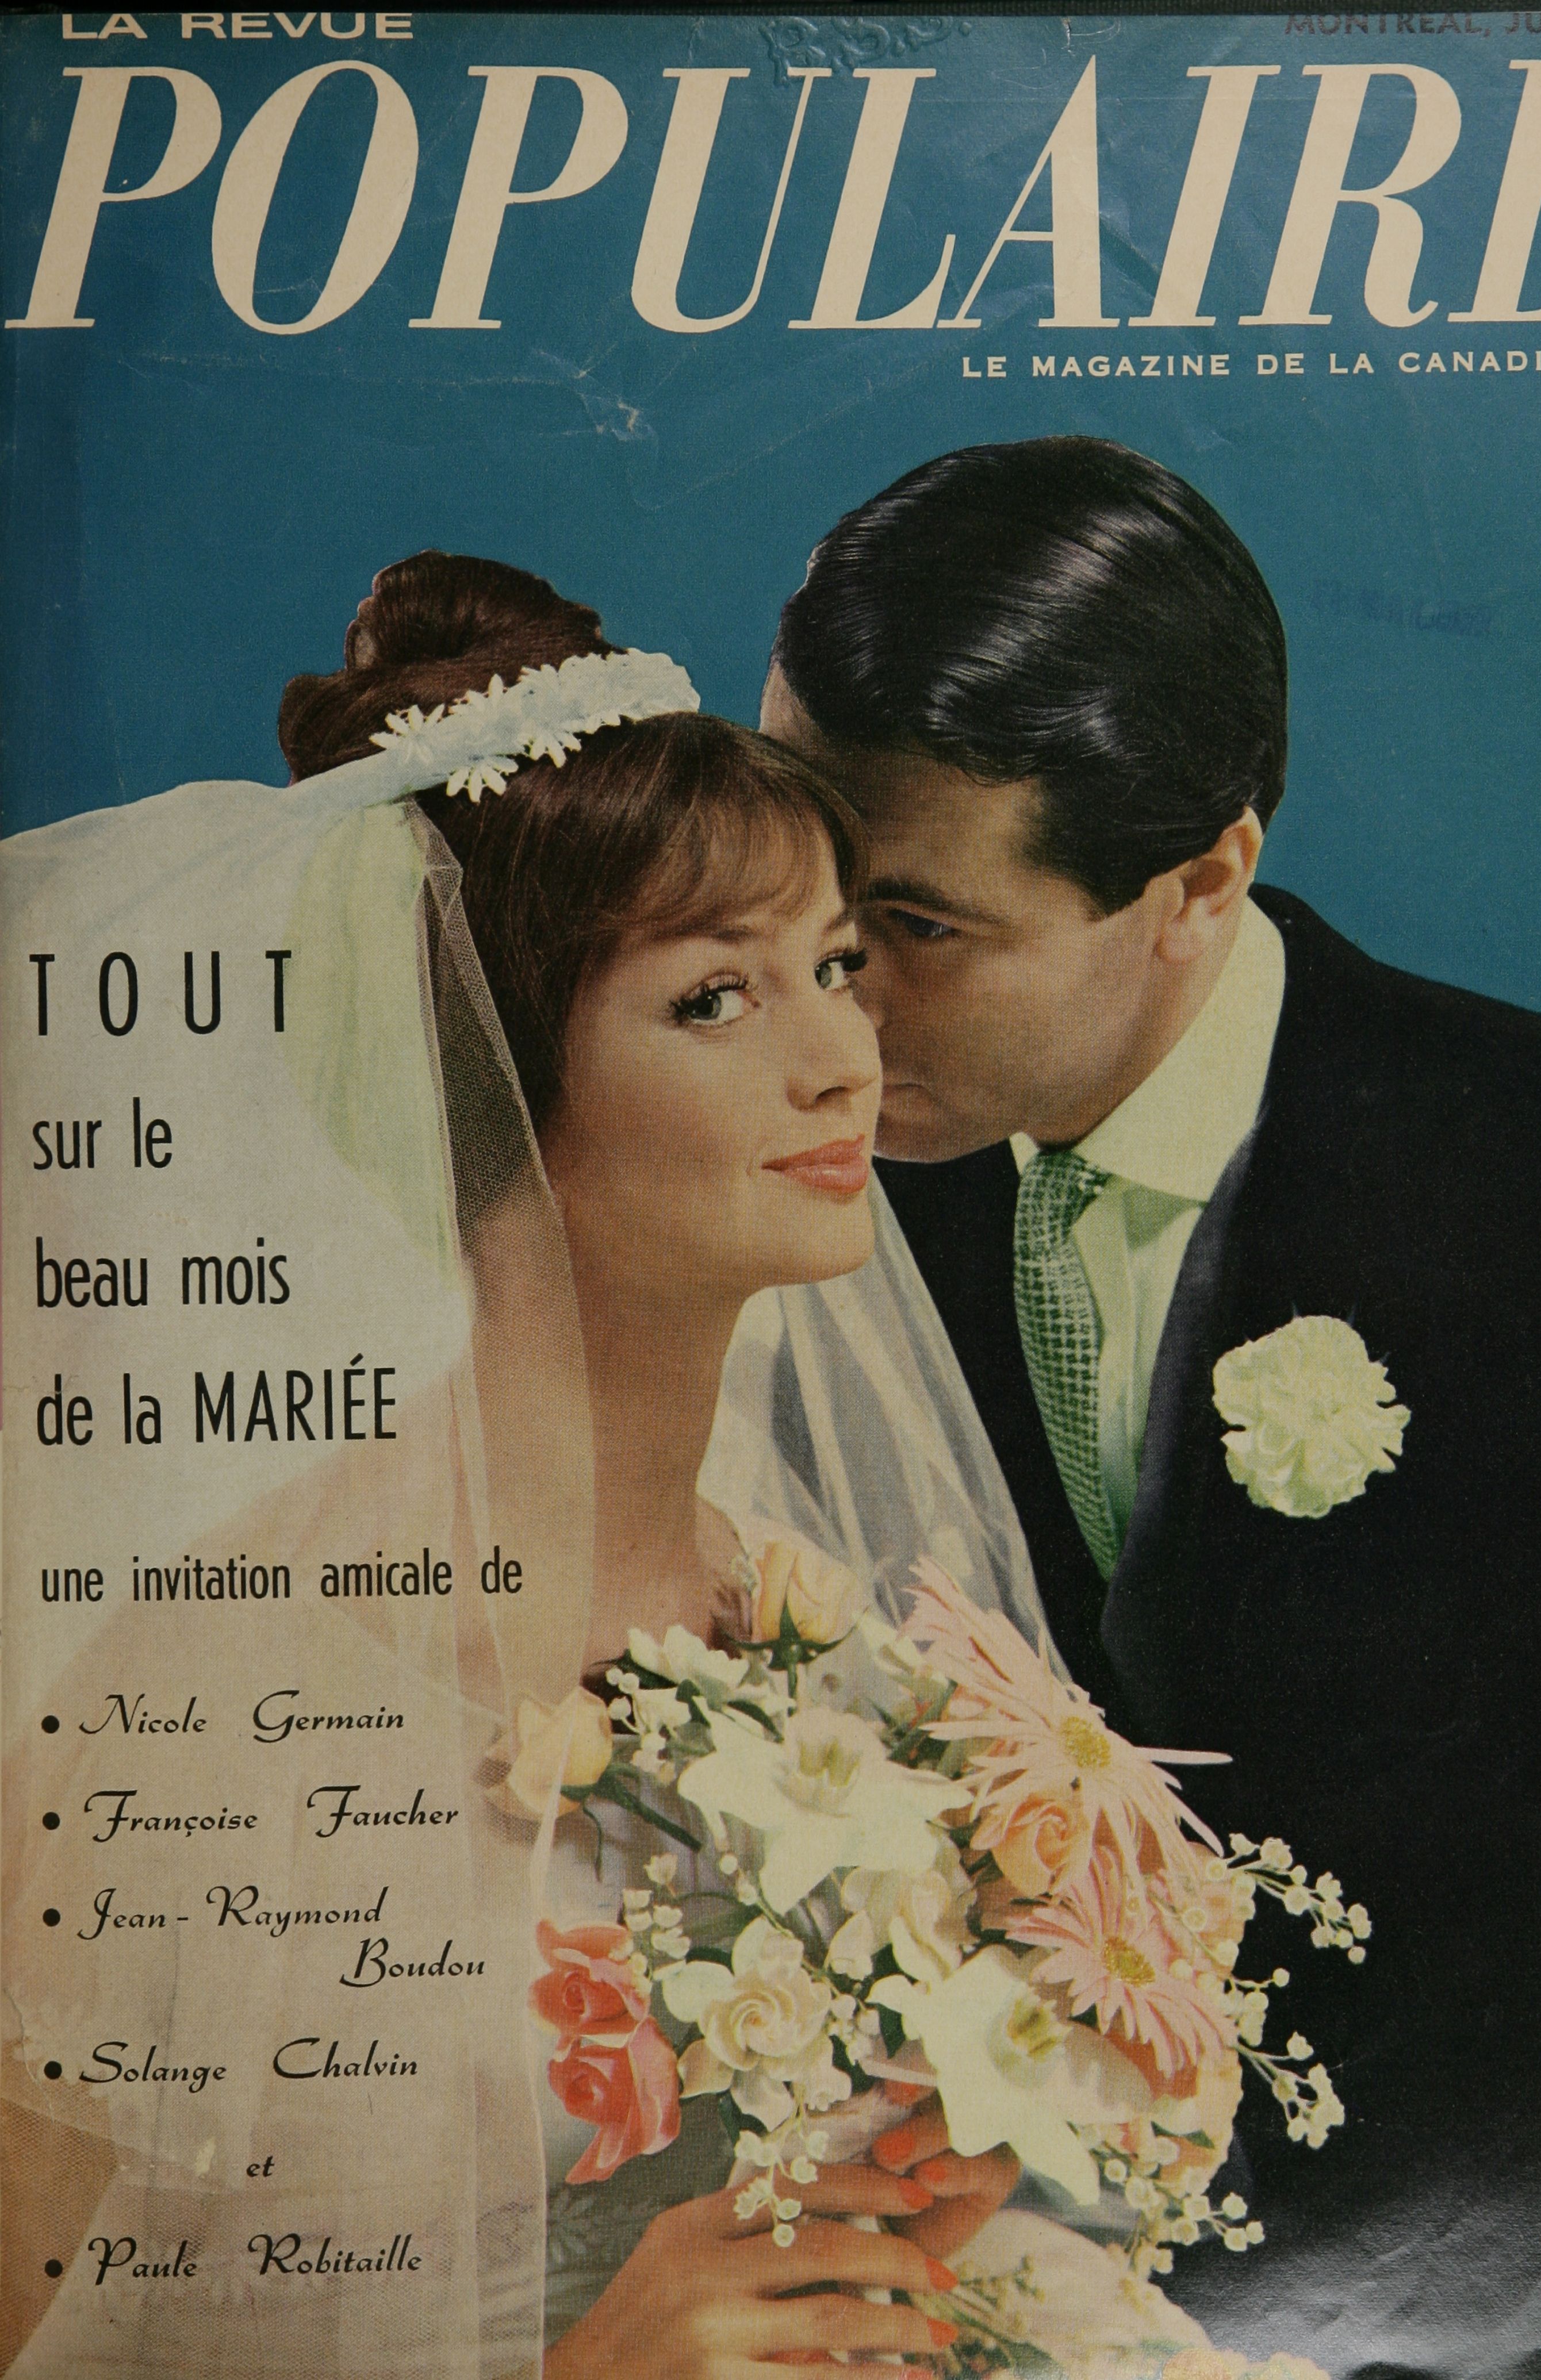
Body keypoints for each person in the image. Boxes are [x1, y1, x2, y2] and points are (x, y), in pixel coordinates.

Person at [4, 553, 1314, 2380]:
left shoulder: (828, 1634)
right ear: (483, 1072)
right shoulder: (202, 1704)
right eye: (717, 998)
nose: (845, 1055)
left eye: (838, 967)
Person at [760, 437, 1541, 2378]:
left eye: (916, 930)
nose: (824, 1001)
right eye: (796, 895)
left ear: (1204, 875)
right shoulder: (785, 1184)